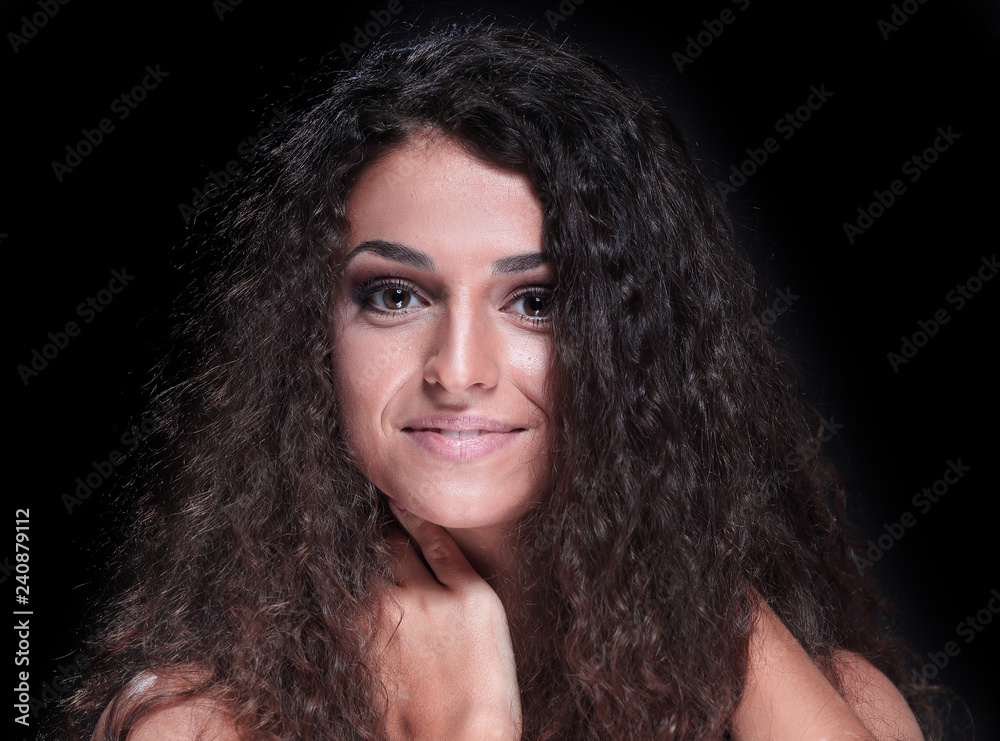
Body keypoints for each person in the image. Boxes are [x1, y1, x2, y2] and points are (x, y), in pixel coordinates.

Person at [62, 24, 937, 740]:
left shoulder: (838, 702)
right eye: (395, 295)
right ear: (309, 335)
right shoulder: (198, 724)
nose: (457, 369)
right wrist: (471, 723)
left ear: (643, 350)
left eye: (536, 302)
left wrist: (692, 581)